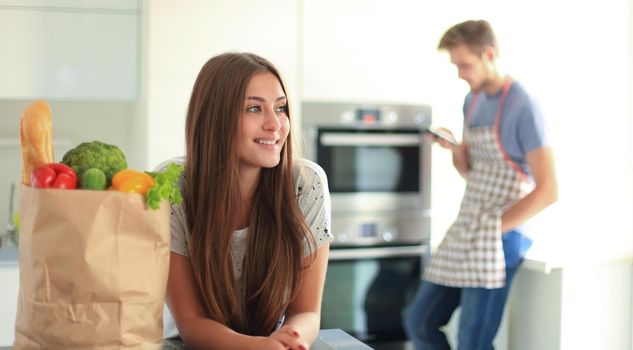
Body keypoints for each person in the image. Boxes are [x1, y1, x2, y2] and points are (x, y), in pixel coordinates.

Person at [158, 52, 334, 350]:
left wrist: (291, 337)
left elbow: (306, 312)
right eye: (254, 108)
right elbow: (191, 323)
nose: (275, 124)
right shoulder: (173, 185)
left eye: (280, 108)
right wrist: (260, 347)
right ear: (216, 118)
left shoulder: (306, 184)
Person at [403, 20, 558, 350]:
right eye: (456, 65)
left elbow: (548, 190)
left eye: (464, 65)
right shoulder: (471, 101)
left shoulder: (523, 105)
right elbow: (473, 173)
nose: (460, 73)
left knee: (473, 339)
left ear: (489, 54)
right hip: (469, 223)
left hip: (501, 235)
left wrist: (495, 228)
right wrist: (457, 151)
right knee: (420, 321)